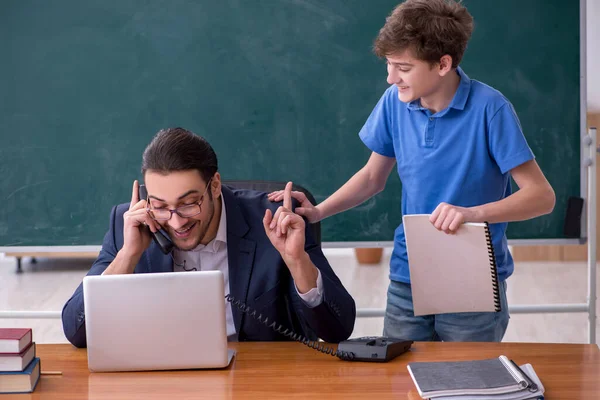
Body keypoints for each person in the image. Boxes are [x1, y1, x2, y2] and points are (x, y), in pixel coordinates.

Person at [269, 0, 555, 342]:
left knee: (466, 386)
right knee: (401, 384)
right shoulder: (394, 102)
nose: (391, 78)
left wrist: (471, 214)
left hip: (472, 281)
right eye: (389, 66)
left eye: (403, 67)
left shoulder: (490, 109)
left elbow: (542, 197)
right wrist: (318, 212)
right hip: (408, 276)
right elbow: (372, 177)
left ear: (442, 64)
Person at [62, 127, 356, 348]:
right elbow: (76, 333)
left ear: (214, 185)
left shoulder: (274, 221)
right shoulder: (129, 225)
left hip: (260, 382)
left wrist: (297, 261)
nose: (176, 221)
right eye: (161, 205)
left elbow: (338, 329)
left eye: (189, 203)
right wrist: (127, 256)